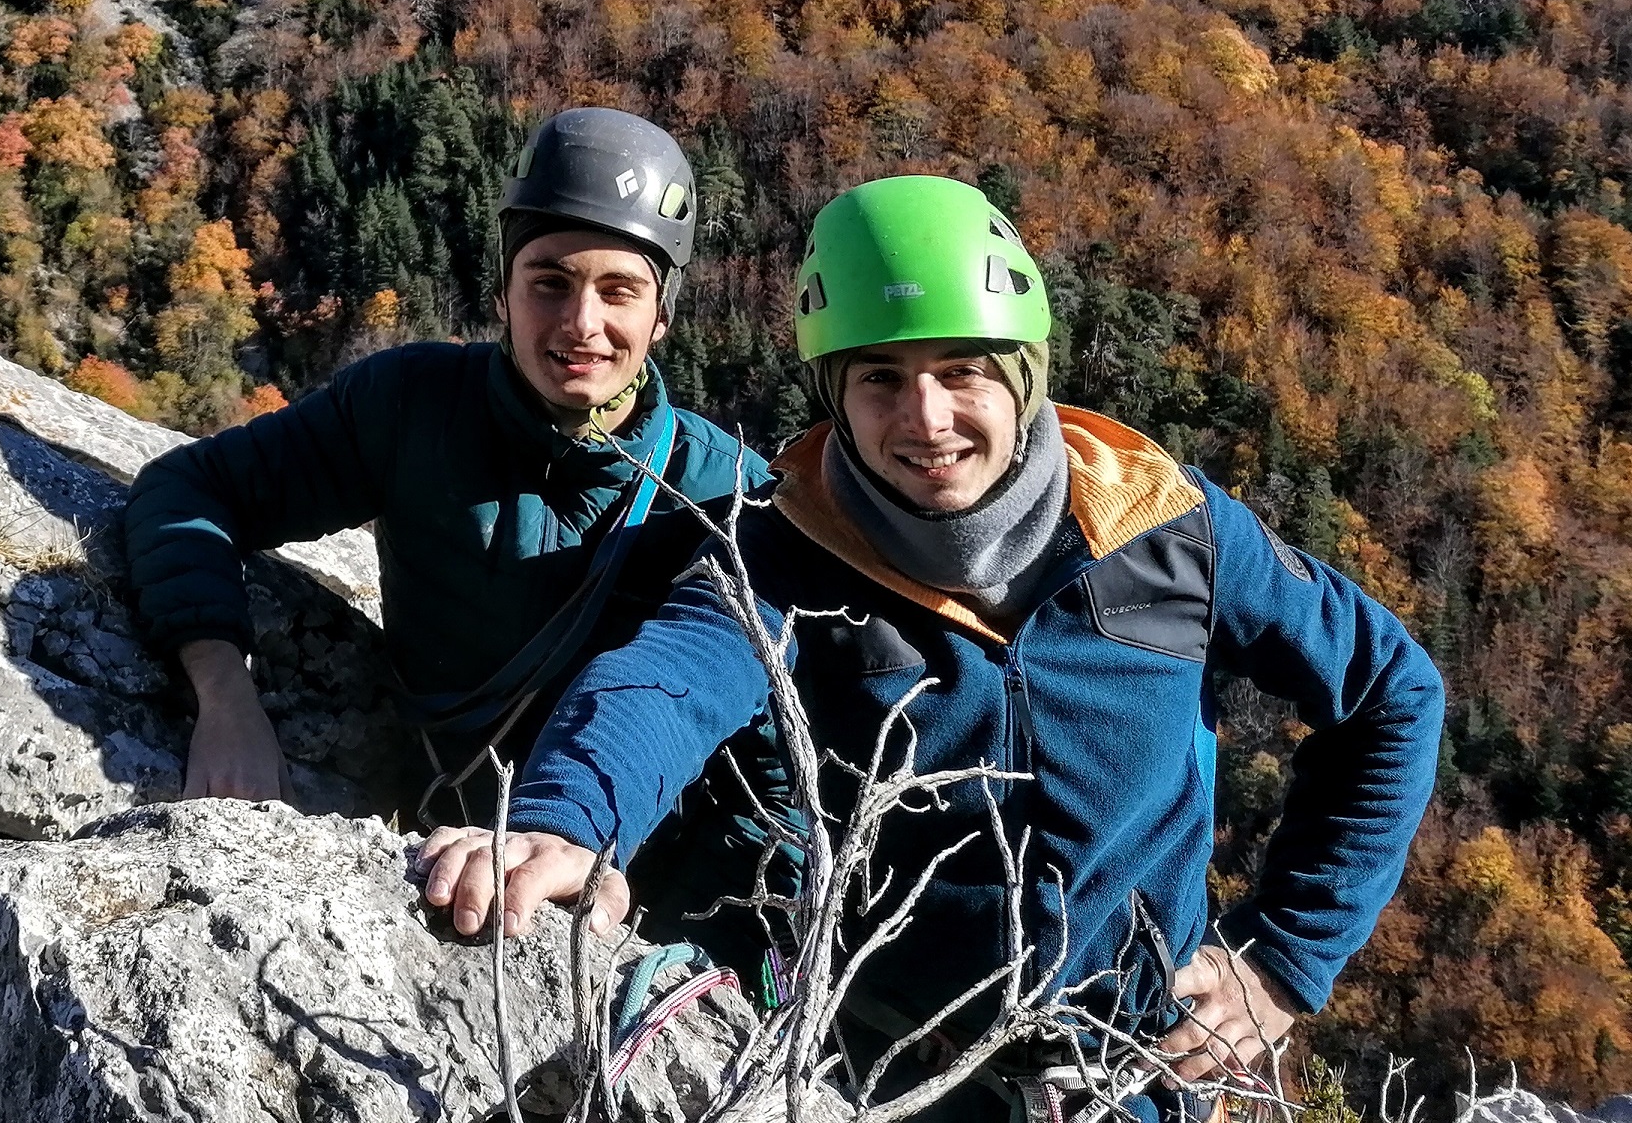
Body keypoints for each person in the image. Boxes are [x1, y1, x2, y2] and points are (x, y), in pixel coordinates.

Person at [418, 174, 1445, 1116]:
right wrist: (564, 824)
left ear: (1025, 377)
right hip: (889, 1082)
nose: (927, 418)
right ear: (836, 396)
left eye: (963, 371)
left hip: (1139, 1075)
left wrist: (1282, 965)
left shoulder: (1165, 528)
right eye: (881, 380)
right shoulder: (787, 551)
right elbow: (671, 680)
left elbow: (1392, 692)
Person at [124, 107, 779, 931]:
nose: (582, 325)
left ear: (663, 316)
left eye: (620, 291)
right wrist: (225, 695)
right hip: (423, 839)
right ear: (504, 290)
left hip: (613, 871)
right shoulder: (412, 408)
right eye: (549, 281)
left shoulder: (723, 493)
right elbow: (191, 490)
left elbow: (766, 739)